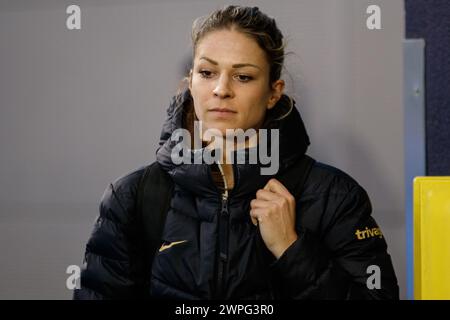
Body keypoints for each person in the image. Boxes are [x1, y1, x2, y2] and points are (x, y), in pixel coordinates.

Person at [73, 5, 399, 300]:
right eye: (207, 72)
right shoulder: (133, 197)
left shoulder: (333, 196)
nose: (221, 89)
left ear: (274, 92)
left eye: (243, 76)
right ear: (190, 82)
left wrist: (291, 248)